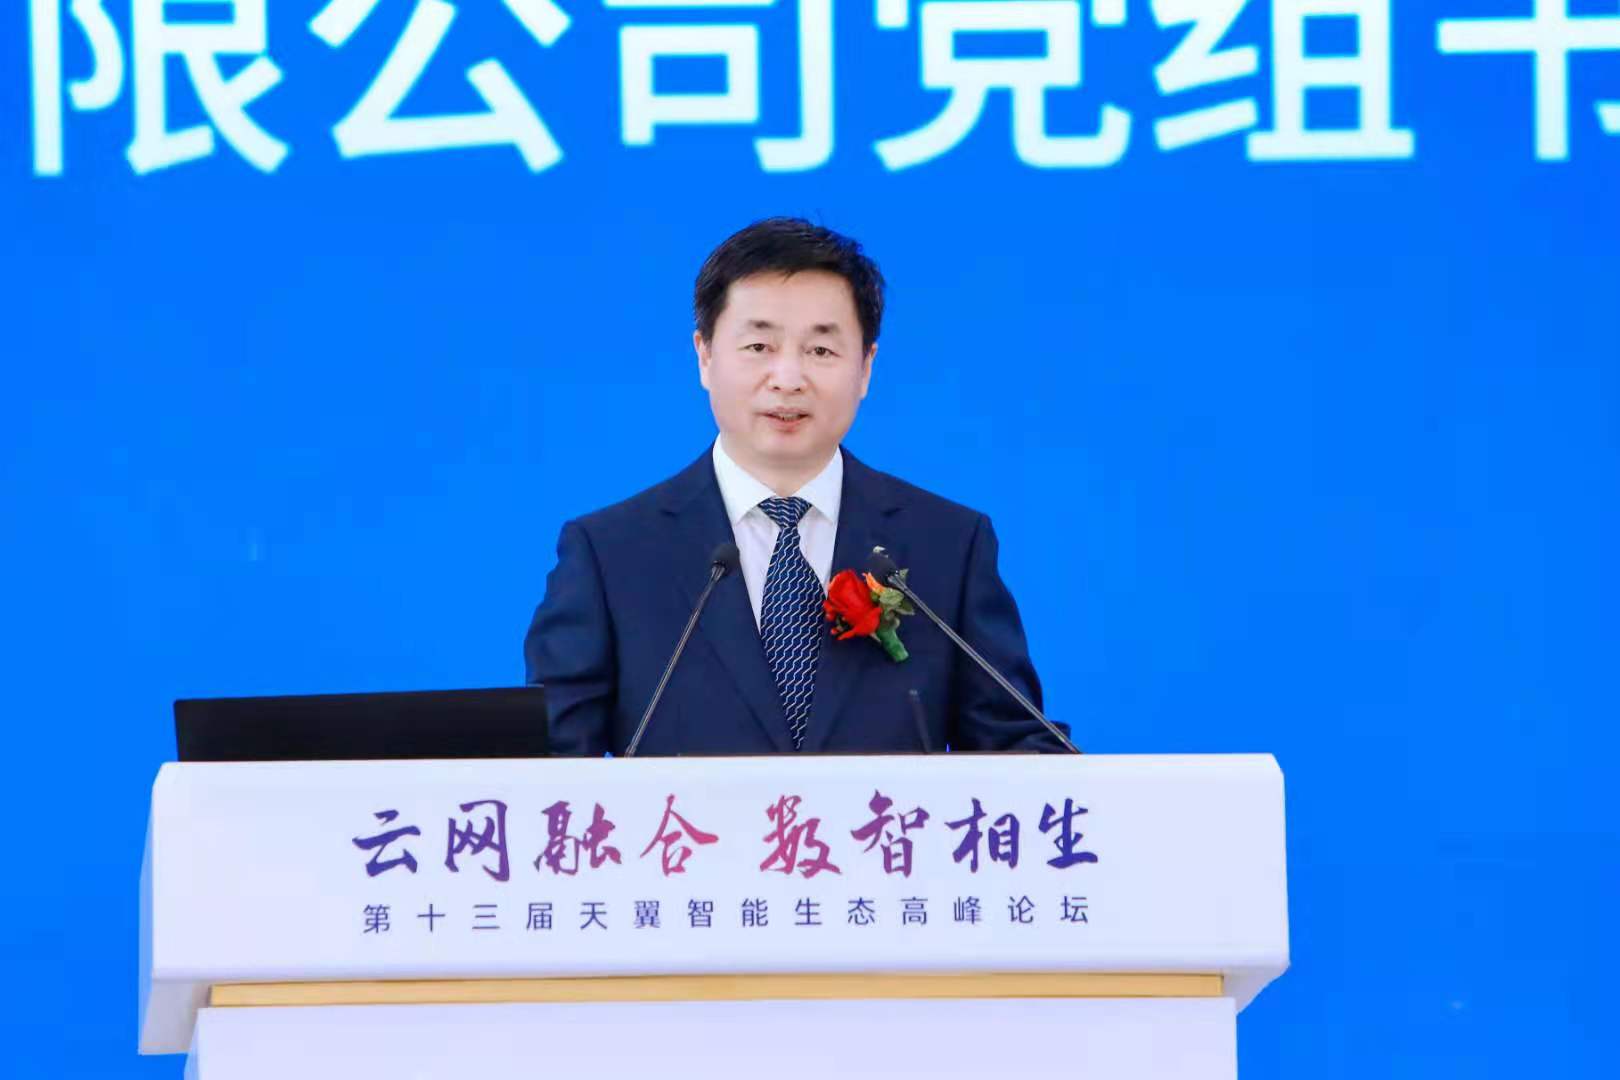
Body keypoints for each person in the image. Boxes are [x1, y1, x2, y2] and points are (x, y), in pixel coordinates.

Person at [524, 217, 1069, 756]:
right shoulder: (610, 553)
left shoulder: (949, 544)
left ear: (866, 368)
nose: (787, 379)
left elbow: (1020, 750)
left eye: (821, 351)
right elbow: (546, 772)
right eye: (759, 347)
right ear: (705, 356)